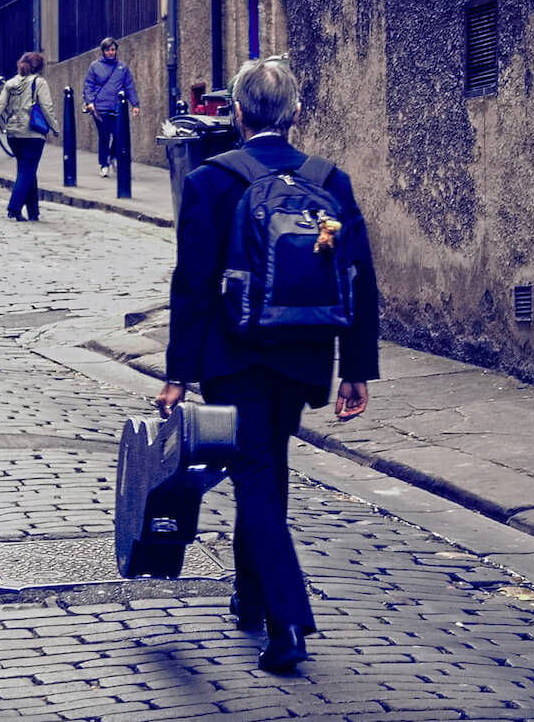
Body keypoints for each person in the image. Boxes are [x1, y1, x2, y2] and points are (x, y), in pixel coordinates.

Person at [155, 57, 379, 673]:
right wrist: (356, 367)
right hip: (305, 355)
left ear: (235, 112)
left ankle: (286, 623)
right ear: (296, 113)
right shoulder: (330, 179)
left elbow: (193, 286)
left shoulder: (209, 181)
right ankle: (250, 599)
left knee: (255, 478)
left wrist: (177, 375)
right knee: (266, 470)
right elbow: (359, 278)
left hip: (235, 354)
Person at [0, 52, 59, 222]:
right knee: (26, 170)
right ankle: (14, 208)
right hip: (32, 132)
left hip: (13, 134)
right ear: (39, 67)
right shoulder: (40, 82)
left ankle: (33, 212)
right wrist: (55, 127)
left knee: (27, 170)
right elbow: (47, 107)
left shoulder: (11, 83)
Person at [82, 37, 140, 178]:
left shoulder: (122, 68)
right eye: (108, 50)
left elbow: (129, 86)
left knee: (119, 135)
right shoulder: (94, 66)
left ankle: (113, 157)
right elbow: (88, 85)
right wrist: (90, 102)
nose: (111, 52)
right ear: (103, 51)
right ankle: (104, 164)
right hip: (100, 107)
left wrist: (135, 104)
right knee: (104, 136)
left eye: (113, 50)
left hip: (118, 107)